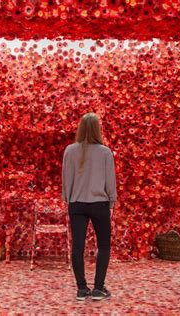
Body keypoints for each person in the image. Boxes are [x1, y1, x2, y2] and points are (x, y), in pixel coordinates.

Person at [62, 112, 117, 301]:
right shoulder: (105, 152)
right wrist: (111, 202)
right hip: (99, 204)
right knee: (103, 246)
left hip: (76, 203)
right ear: (97, 129)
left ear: (80, 128)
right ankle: (98, 288)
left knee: (77, 247)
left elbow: (66, 179)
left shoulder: (69, 151)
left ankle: (81, 289)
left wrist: (67, 198)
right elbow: (110, 180)